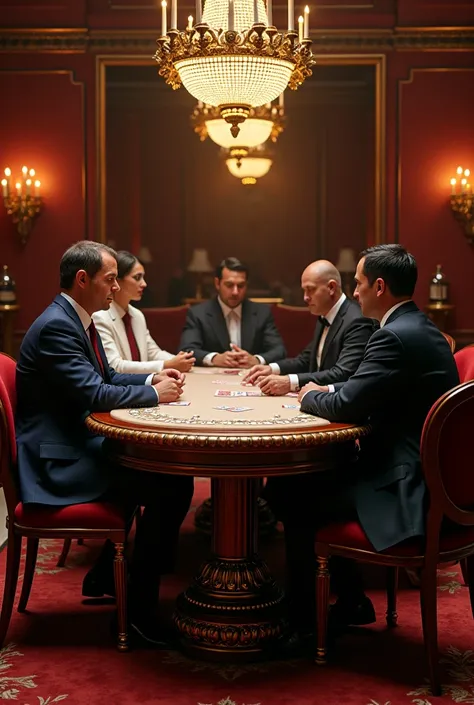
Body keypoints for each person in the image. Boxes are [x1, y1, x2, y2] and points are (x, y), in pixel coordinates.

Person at [265, 244, 459, 639]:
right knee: (290, 486)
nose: (355, 293)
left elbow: (348, 403)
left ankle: (302, 623)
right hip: (431, 475)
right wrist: (326, 392)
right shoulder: (418, 327)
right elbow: (360, 392)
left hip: (405, 486)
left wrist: (307, 396)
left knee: (294, 497)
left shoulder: (392, 337)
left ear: (381, 286)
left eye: (359, 283)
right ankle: (350, 599)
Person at [16, 241, 194, 645]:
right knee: (172, 484)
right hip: (59, 462)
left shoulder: (77, 317)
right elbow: (94, 393)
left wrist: (154, 381)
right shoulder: (59, 325)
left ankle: (110, 578)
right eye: (110, 279)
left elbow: (107, 378)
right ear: (82, 280)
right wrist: (155, 396)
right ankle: (139, 613)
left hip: (75, 444)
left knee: (162, 475)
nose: (115, 289)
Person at [243, 260, 375, 395]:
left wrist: (290, 382)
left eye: (310, 289)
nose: (305, 297)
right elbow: (306, 359)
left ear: (331, 287)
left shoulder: (357, 321)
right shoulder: (324, 314)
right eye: (304, 290)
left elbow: (342, 373)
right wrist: (271, 368)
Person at [92, 250, 195, 374]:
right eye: (137, 277)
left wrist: (180, 359)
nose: (144, 284)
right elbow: (114, 366)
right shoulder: (100, 317)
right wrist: (166, 364)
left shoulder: (137, 315)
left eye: (143, 277)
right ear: (117, 281)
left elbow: (153, 352)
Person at [180, 257, 286, 367]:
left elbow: (279, 350)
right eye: (229, 285)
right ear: (217, 283)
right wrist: (215, 358)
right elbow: (187, 349)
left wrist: (256, 360)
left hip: (251, 376)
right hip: (213, 377)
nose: (235, 292)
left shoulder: (262, 313)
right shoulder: (198, 313)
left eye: (241, 286)